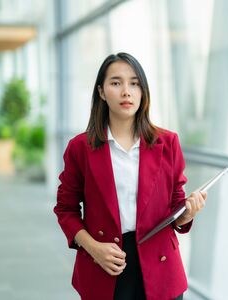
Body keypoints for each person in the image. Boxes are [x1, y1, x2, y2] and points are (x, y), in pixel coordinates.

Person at [54, 52, 207, 300]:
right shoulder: (80, 148)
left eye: (134, 83)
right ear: (102, 92)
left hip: (160, 266)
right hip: (106, 262)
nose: (127, 91)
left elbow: (175, 208)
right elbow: (66, 210)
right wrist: (93, 248)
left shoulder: (168, 142)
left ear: (143, 91)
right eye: (116, 83)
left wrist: (187, 213)